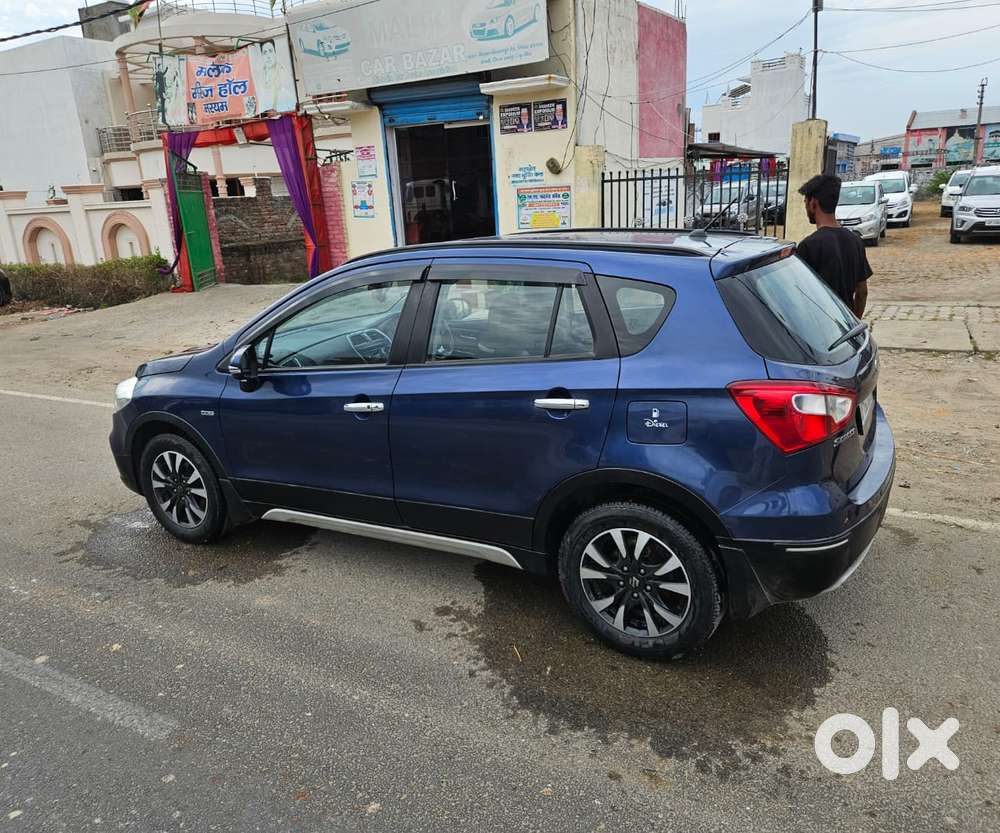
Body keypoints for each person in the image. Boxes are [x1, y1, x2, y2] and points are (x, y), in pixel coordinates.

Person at [796, 174, 871, 318]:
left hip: (820, 327)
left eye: (805, 202)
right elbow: (862, 292)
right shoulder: (855, 241)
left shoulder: (809, 246)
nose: (806, 209)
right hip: (846, 327)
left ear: (813, 203)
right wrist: (854, 322)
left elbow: (801, 296)